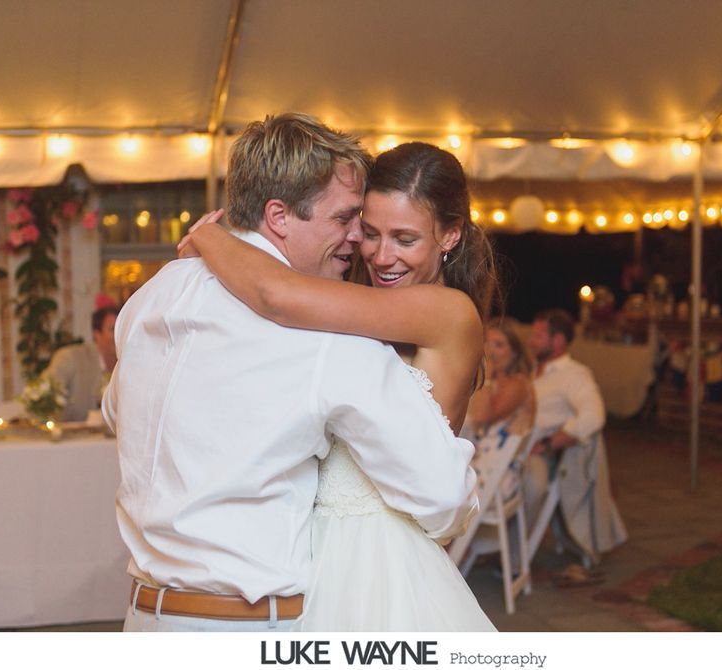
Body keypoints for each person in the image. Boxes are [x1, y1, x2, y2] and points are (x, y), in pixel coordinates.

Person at [103, 115, 480, 632]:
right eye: (352, 221)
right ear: (279, 215)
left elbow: (115, 408)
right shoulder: (326, 337)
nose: (361, 245)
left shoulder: (152, 297)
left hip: (145, 617)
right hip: (249, 626)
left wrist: (211, 240)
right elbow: (442, 495)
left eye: (398, 236)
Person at [524, 308, 627, 569]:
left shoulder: (575, 374)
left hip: (537, 454)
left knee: (529, 485)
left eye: (538, 336)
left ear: (558, 341)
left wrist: (549, 443)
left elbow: (593, 416)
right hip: (510, 446)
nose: (531, 341)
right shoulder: (534, 371)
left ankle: (514, 554)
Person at [466, 317, 536, 499]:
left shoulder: (518, 384)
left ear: (514, 352)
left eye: (499, 345)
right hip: (483, 460)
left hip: (493, 475)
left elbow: (480, 417)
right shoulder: (497, 380)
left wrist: (486, 373)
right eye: (487, 343)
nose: (490, 351)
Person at [43, 305, 119, 421]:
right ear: (96, 334)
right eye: (113, 329)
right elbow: (44, 397)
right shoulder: (71, 358)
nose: (119, 336)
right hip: (71, 436)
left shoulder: (131, 366)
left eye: (122, 329)